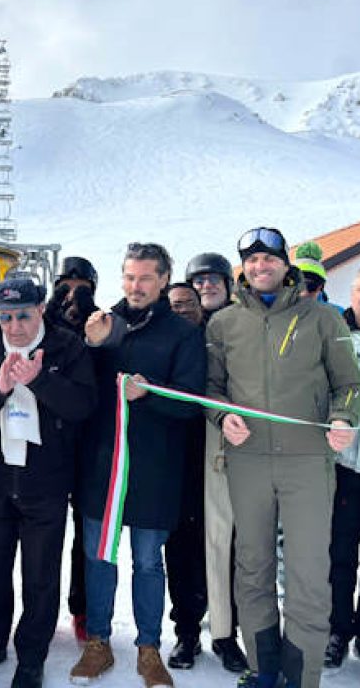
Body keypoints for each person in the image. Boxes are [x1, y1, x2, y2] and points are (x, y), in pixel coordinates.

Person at [206, 226, 360, 688]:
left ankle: (301, 676)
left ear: (285, 264)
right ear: (244, 268)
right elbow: (212, 390)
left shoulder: (322, 318)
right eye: (251, 261)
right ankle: (264, 668)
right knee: (252, 567)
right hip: (248, 460)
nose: (260, 267)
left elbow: (350, 385)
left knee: (308, 574)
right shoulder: (224, 324)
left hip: (307, 463)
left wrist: (342, 418)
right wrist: (221, 419)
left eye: (269, 259)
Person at [71, 243, 206, 688]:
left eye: (145, 278)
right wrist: (89, 345)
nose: (135, 286)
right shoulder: (107, 323)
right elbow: (79, 389)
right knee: (98, 557)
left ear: (165, 280)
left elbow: (191, 404)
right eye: (129, 277)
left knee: (148, 562)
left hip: (154, 469)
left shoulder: (183, 335)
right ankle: (98, 641)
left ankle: (149, 647)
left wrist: (152, 393)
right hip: (102, 467)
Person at [0, 276, 96, 688]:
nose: (14, 326)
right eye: (6, 317)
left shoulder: (67, 347)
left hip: (46, 482)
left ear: (40, 310)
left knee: (40, 575)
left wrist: (40, 380)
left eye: (23, 315)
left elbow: (84, 406)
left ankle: (32, 656)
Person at [186, 251, 248, 673]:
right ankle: (187, 632)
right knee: (185, 547)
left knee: (225, 544)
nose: (206, 286)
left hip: (224, 444)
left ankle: (226, 634)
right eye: (199, 280)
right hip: (181, 446)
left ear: (228, 284)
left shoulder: (241, 324)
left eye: (214, 279)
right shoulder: (179, 324)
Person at [325, 264, 360, 672]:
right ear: (351, 292)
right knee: (338, 554)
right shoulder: (334, 336)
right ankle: (337, 629)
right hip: (341, 468)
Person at [45, 256, 100, 643]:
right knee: (43, 533)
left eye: (82, 286)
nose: (73, 293)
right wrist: (53, 312)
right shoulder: (45, 322)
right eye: (67, 284)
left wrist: (91, 317)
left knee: (87, 535)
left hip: (90, 442)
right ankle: (40, 609)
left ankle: (82, 608)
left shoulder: (100, 322)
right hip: (47, 441)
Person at [161, 283, 208, 670]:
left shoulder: (215, 341)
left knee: (216, 551)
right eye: (174, 305)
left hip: (216, 462)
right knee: (178, 551)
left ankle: (223, 630)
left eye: (189, 305)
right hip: (172, 463)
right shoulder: (163, 342)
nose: (182, 311)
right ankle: (186, 632)